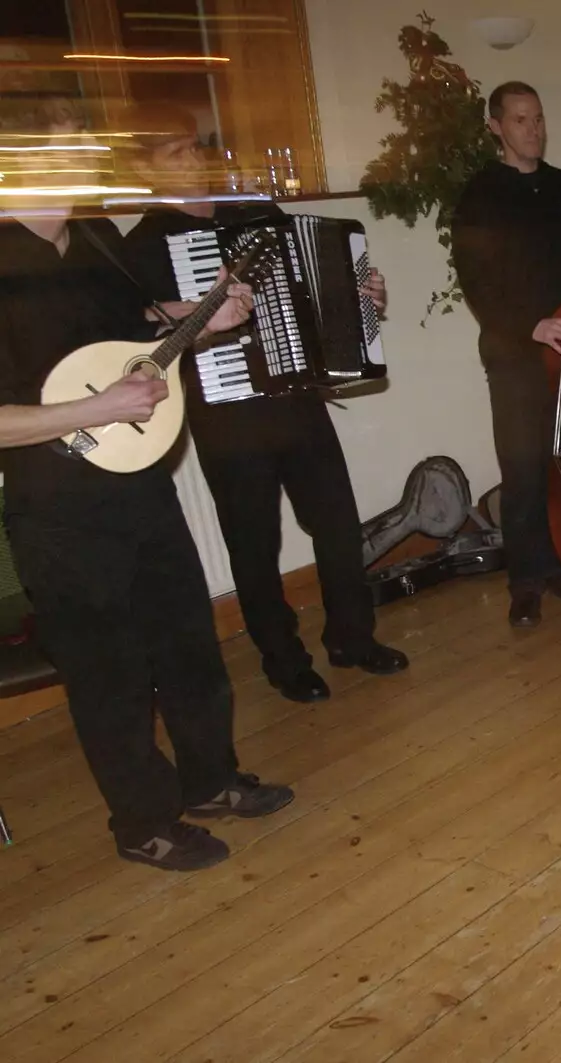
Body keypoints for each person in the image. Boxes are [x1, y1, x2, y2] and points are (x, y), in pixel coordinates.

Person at [0, 104, 293, 871]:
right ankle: (142, 823)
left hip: (138, 482)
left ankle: (211, 780)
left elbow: (135, 325)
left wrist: (206, 318)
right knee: (110, 676)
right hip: (59, 511)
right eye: (65, 155)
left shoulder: (91, 239)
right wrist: (97, 407)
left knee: (188, 640)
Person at [118, 104, 409, 703]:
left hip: (296, 398)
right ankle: (283, 660)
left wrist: (362, 300)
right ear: (146, 171)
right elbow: (138, 336)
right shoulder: (143, 246)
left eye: (197, 148)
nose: (195, 159)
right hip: (226, 412)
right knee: (255, 546)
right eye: (177, 152)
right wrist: (201, 307)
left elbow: (306, 295)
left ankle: (353, 638)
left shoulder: (254, 212)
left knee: (335, 526)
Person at [452, 81, 561, 627]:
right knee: (524, 467)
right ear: (496, 127)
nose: (534, 130)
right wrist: (533, 324)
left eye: (539, 118)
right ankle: (525, 581)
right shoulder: (479, 195)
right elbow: (478, 285)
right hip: (514, 353)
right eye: (522, 120)